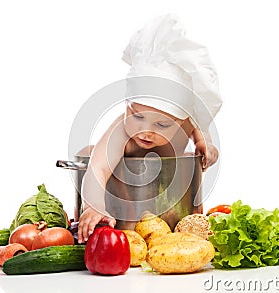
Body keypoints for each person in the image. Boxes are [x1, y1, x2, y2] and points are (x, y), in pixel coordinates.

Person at [77, 14, 223, 243]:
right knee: (91, 152)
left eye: (162, 124)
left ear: (181, 118)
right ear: (127, 105)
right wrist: (94, 206)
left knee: (186, 154)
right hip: (123, 197)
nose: (145, 131)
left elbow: (198, 122)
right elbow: (98, 169)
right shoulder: (122, 132)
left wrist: (205, 143)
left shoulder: (186, 120)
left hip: (168, 198)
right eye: (137, 116)